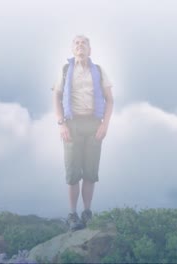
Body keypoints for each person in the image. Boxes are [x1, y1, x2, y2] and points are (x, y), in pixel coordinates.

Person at [52, 35, 114, 231]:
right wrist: (61, 124)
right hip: (72, 124)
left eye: (84, 43)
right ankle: (72, 214)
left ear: (90, 49)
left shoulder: (99, 70)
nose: (80, 46)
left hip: (94, 124)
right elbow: (57, 97)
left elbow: (109, 99)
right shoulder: (64, 70)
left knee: (90, 172)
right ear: (72, 49)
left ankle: (87, 212)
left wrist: (105, 124)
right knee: (72, 172)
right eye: (77, 43)